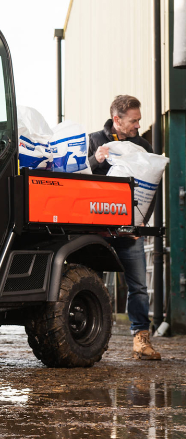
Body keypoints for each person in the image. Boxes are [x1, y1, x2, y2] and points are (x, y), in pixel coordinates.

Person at [88, 94, 161, 361]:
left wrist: (140, 221)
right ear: (117, 120)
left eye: (139, 120)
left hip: (131, 231)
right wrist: (96, 160)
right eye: (134, 120)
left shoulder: (142, 145)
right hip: (98, 230)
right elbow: (79, 177)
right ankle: (89, 338)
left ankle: (141, 339)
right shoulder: (95, 140)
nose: (138, 126)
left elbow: (151, 187)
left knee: (138, 285)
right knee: (90, 281)